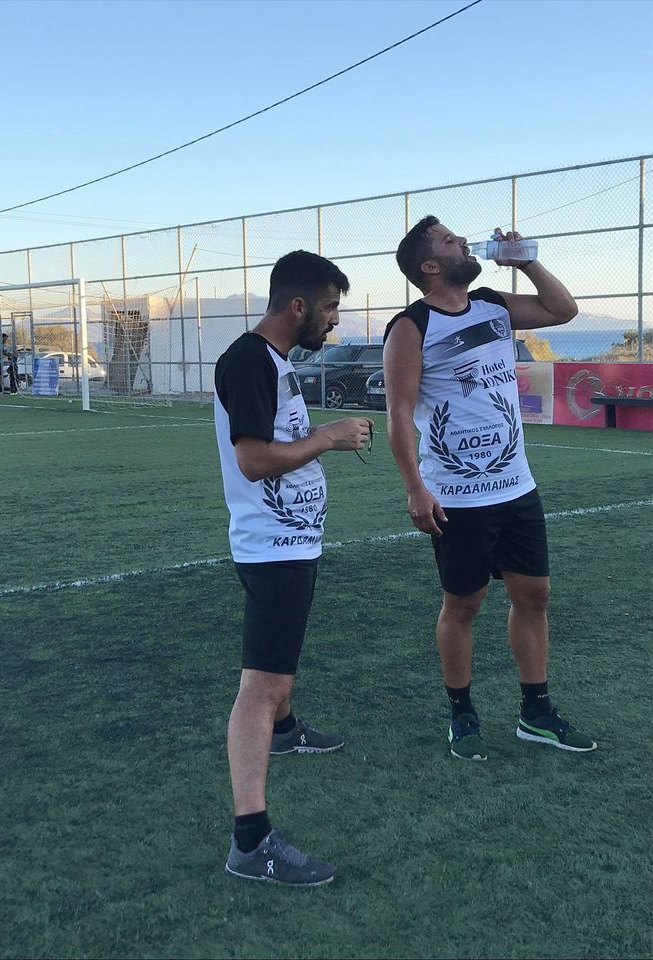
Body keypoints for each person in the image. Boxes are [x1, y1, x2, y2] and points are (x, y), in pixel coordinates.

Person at [384, 217, 596, 761]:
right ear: (430, 266)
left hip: (516, 486)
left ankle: (536, 713)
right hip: (456, 496)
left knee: (534, 596)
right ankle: (463, 714)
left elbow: (563, 310)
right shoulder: (410, 327)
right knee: (463, 605)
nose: (462, 241)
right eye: (449, 241)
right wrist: (414, 488)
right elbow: (399, 413)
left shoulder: (492, 305)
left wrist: (526, 260)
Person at [214, 250, 372, 885]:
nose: (335, 320)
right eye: (330, 308)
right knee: (261, 685)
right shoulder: (249, 359)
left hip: (292, 543)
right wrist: (328, 437)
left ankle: (284, 730)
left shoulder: (275, 360)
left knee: (276, 677)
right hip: (271, 548)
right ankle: (251, 842)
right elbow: (254, 460)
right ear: (298, 305)